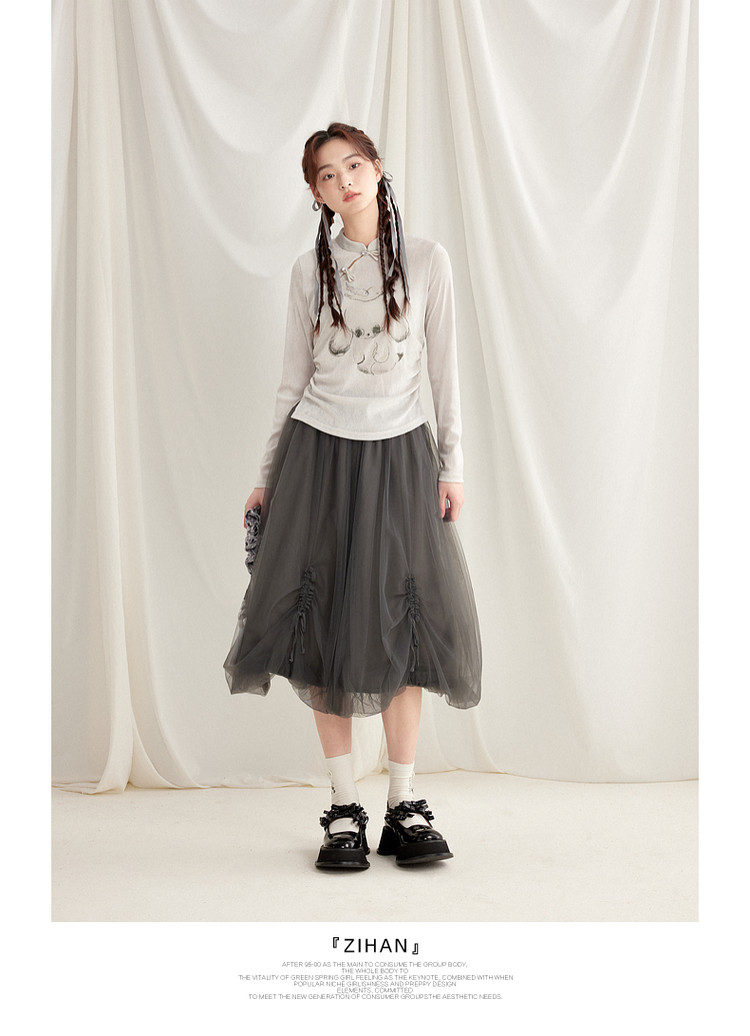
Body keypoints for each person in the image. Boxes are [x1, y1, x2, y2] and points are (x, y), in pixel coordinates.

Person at [224, 123, 482, 870]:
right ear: (316, 194)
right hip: (319, 455)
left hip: (401, 456)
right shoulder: (310, 271)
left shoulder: (428, 261)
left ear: (378, 168)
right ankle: (343, 806)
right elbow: (292, 379)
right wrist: (267, 476)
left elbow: (446, 372)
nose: (345, 181)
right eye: (327, 175)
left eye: (354, 165)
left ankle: (404, 804)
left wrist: (452, 465)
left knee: (408, 624)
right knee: (324, 622)